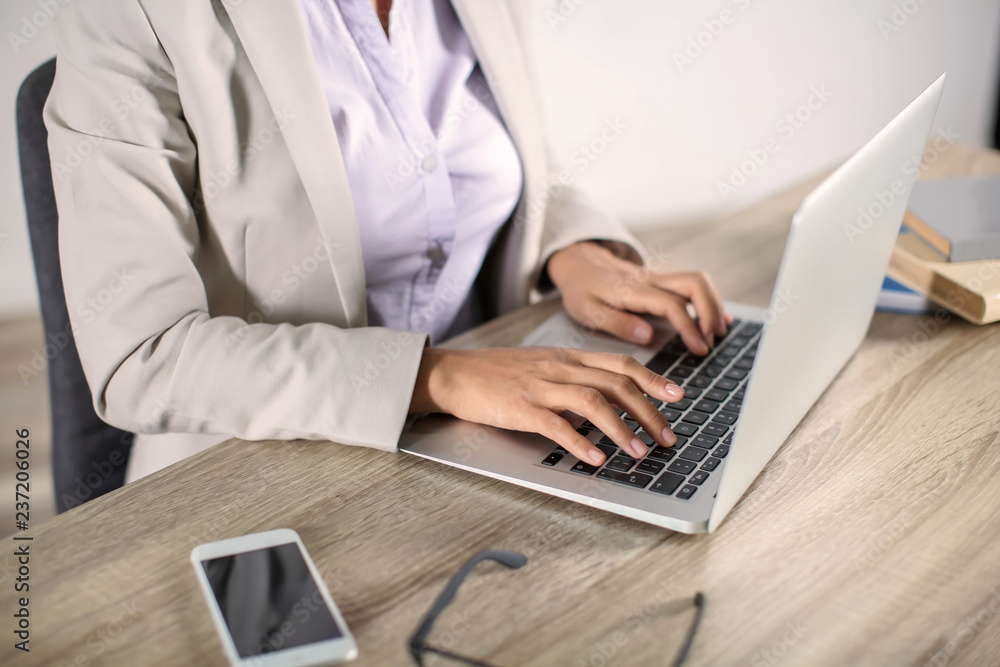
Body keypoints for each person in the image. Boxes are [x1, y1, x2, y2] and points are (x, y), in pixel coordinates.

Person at [45, 0, 730, 483]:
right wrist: (434, 377)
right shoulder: (127, 12)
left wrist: (574, 249)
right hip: (263, 472)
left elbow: (484, 152)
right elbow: (142, 355)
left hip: (489, 436)